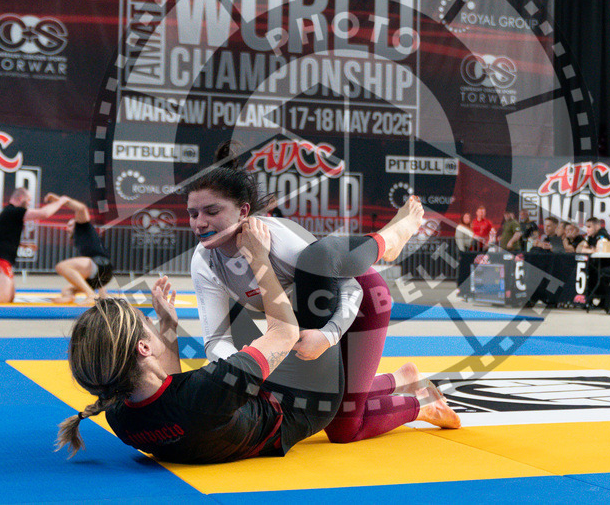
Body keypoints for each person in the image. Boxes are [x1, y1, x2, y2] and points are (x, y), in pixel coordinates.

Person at [57, 220, 458, 463]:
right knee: (318, 267)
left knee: (245, 308)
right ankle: (416, 401)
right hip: (297, 409)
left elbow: (169, 390)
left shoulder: (118, 415)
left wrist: (165, 325)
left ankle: (396, 378)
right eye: (145, 326)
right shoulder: (212, 386)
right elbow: (282, 335)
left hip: (241, 406)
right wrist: (260, 260)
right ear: (143, 350)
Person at [188, 142, 458, 445]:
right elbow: (216, 341)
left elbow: (350, 286)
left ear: (243, 211)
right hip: (311, 317)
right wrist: (247, 367)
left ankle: (423, 403)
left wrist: (328, 335)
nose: (199, 223)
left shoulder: (276, 238)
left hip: (360, 302)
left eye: (211, 212)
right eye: (193, 213)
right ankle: (401, 380)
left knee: (344, 429)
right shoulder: (203, 262)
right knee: (294, 391)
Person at [46, 193, 113, 304]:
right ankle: (70, 297)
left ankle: (90, 295)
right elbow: (100, 273)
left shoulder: (83, 227)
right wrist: (103, 295)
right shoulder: (82, 239)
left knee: (62, 266)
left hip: (101, 265)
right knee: (67, 289)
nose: (67, 229)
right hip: (103, 272)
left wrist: (60, 200)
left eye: (71, 225)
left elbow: (81, 208)